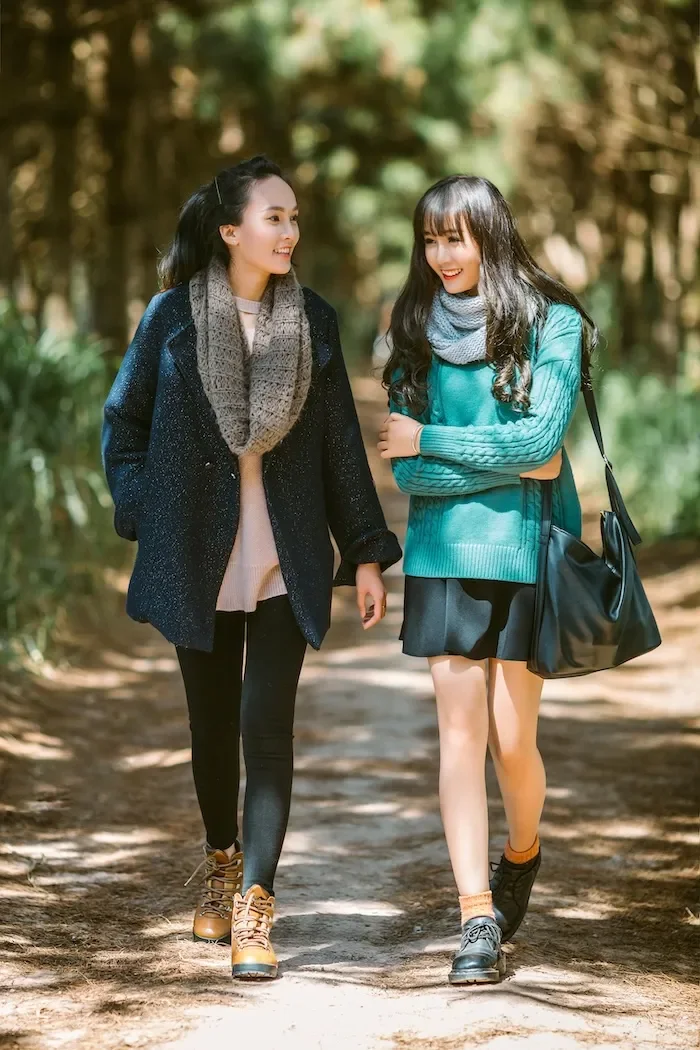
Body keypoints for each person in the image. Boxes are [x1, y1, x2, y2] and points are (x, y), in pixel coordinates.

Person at [102, 155, 401, 981]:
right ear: (230, 229)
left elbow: (342, 443)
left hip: (285, 555)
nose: (290, 231)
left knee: (266, 728)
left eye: (295, 218)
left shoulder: (316, 322)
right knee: (211, 729)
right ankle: (223, 857)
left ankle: (256, 906)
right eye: (275, 217)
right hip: (194, 549)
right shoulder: (170, 319)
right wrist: (140, 509)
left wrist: (369, 552)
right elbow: (123, 425)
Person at [378, 175, 597, 985]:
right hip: (440, 558)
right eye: (430, 240)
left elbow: (543, 443)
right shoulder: (409, 326)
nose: (442, 256)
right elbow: (411, 481)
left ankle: (522, 853)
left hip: (526, 551)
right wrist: (498, 463)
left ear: (491, 237)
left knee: (514, 744)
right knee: (460, 741)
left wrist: (432, 437)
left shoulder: (554, 324)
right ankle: (476, 915)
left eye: (456, 239)